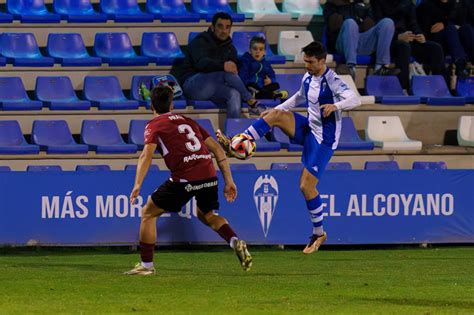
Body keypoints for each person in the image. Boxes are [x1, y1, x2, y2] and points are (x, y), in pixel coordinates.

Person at [217, 42, 361, 254]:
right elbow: (298, 98)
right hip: (309, 128)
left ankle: (319, 233)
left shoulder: (332, 80)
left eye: (311, 62)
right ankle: (238, 143)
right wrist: (275, 109)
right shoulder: (308, 77)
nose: (307, 66)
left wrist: (335, 106)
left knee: (306, 187)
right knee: (275, 115)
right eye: (305, 62)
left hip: (324, 140)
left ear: (322, 61)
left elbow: (355, 99)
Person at [125, 86, 252, 276]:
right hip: (209, 174)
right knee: (207, 215)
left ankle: (146, 265)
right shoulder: (188, 121)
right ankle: (234, 240)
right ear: (172, 104)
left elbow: (146, 155)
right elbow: (218, 150)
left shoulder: (154, 126)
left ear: (151, 105)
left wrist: (137, 184)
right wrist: (229, 181)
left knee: (148, 214)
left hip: (184, 178)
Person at [171, 12, 263, 118]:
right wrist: (223, 65)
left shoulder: (230, 48)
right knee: (226, 71)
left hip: (214, 88)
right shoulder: (200, 41)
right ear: (212, 27)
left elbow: (234, 71)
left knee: (234, 94)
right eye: (220, 26)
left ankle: (233, 132)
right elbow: (201, 63)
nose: (224, 31)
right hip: (192, 85)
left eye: (227, 27)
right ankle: (251, 101)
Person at [371, 0, 446, 90]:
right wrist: (398, 36)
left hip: (408, 39)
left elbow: (413, 23)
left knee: (435, 48)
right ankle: (403, 88)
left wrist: (419, 35)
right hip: (388, 42)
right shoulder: (377, 2)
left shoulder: (407, 3)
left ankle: (438, 87)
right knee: (403, 46)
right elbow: (379, 28)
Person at [323, 0, 400, 79]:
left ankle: (381, 68)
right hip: (344, 42)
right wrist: (355, 18)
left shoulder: (364, 5)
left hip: (362, 41)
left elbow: (369, 26)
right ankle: (350, 68)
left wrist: (361, 14)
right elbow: (333, 25)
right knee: (350, 23)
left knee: (387, 22)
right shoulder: (332, 3)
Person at [416, 0, 472, 79]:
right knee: (450, 29)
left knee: (467, 29)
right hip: (434, 40)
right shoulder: (426, 5)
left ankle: (470, 63)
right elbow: (426, 30)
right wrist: (447, 25)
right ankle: (460, 64)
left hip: (453, 41)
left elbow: (461, 21)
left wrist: (445, 24)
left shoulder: (455, 4)